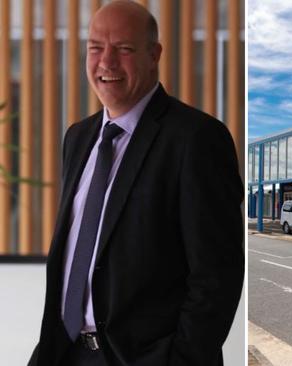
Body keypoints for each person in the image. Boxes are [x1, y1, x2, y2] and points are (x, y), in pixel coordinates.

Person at [28, 1, 244, 365]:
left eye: (124, 49)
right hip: (65, 353)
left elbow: (216, 277)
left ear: (154, 54)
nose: (106, 62)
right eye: (96, 47)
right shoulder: (78, 138)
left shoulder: (196, 139)